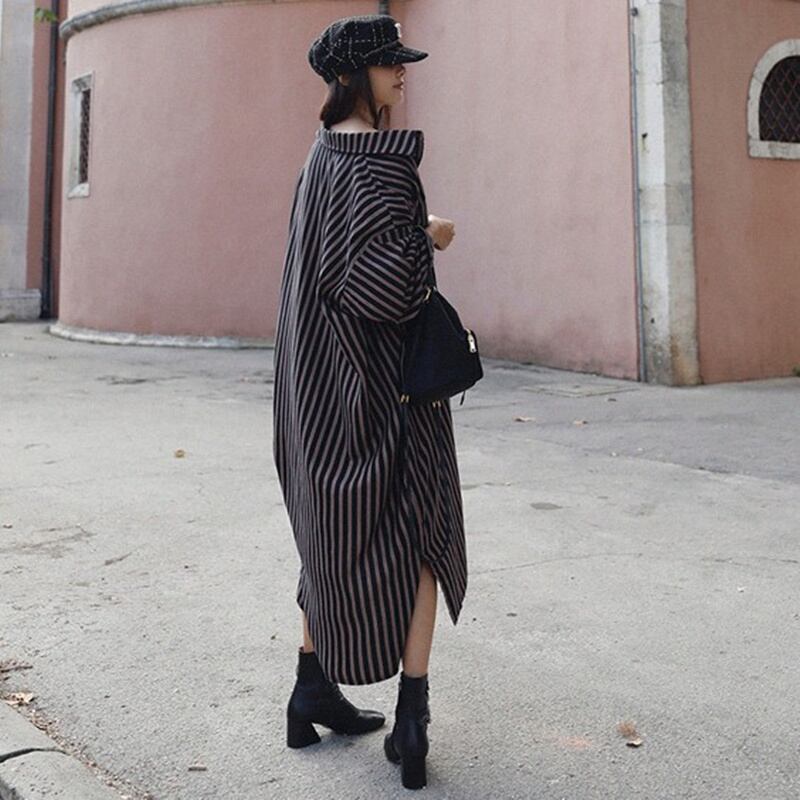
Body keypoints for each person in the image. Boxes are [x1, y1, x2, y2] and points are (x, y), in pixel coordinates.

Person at [272, 14, 467, 790]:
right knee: (424, 534)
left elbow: (330, 266)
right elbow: (386, 290)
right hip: (384, 391)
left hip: (316, 387)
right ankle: (412, 718)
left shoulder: (321, 155)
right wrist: (431, 236)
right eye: (390, 63)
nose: (402, 72)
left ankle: (310, 689)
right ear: (357, 74)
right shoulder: (382, 164)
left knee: (331, 533)